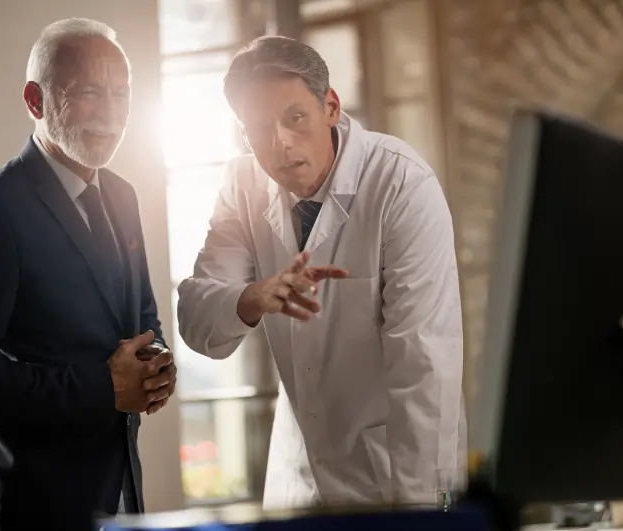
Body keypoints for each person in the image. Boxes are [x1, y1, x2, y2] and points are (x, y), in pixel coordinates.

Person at [177, 36, 466, 510]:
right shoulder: (242, 185)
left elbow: (424, 366)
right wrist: (252, 297)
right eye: (259, 128)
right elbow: (198, 323)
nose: (280, 143)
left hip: (393, 476)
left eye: (295, 118)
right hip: (299, 480)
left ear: (330, 107)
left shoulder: (400, 182)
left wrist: (422, 514)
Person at [0, 18, 176, 531]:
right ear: (35, 100)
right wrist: (103, 387)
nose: (111, 114)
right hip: (27, 507)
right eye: (89, 92)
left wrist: (157, 365)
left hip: (119, 496)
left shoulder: (124, 196)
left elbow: (141, 318)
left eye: (121, 94)